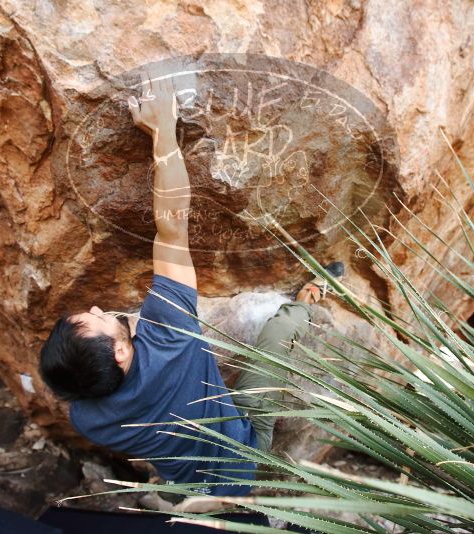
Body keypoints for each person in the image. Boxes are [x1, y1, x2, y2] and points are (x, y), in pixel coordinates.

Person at [38, 71, 343, 508]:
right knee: (276, 328)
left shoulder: (87, 419)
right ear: (121, 354)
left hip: (188, 482)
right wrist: (163, 131)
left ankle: (174, 500)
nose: (98, 305)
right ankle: (311, 298)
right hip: (245, 456)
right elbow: (172, 226)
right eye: (99, 319)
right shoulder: (169, 334)